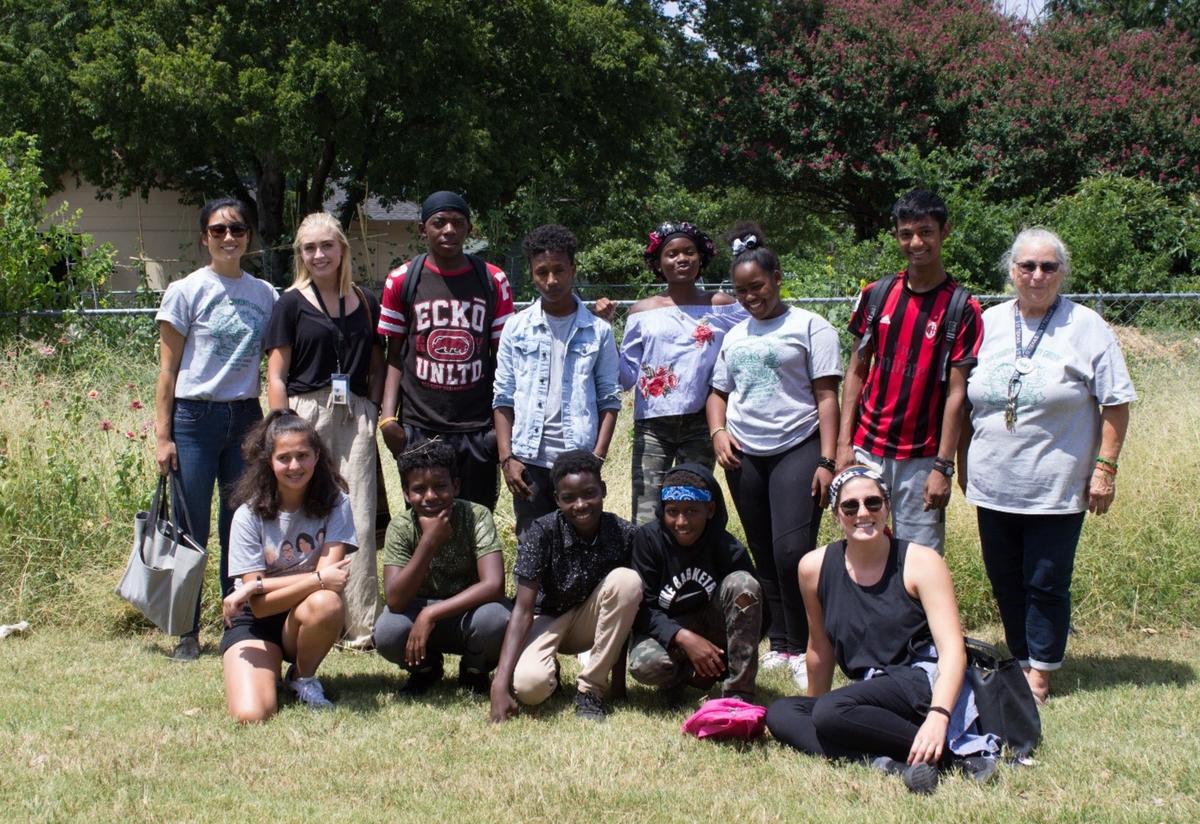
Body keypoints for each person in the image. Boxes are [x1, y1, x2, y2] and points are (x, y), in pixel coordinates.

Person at [961, 228, 1135, 705]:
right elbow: (962, 398)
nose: (1037, 275)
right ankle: (1020, 657)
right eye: (1027, 266)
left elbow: (1116, 402)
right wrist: (960, 460)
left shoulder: (1087, 326)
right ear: (1011, 271)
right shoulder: (988, 322)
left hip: (1056, 485)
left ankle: (1041, 670)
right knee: (1004, 578)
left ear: (1062, 272)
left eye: (1048, 266)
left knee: (1046, 580)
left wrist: (1105, 468)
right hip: (994, 481)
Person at [765, 466, 998, 794]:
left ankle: (953, 756)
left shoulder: (921, 562)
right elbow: (819, 647)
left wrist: (939, 715)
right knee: (781, 713)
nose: (863, 513)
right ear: (836, 515)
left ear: (887, 507)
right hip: (875, 690)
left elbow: (952, 651)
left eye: (873, 503)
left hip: (921, 680)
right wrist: (812, 712)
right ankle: (889, 764)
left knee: (832, 711)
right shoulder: (813, 567)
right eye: (850, 506)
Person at [706, 225, 842, 689]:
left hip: (798, 444)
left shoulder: (810, 326)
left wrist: (827, 460)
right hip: (745, 454)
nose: (750, 298)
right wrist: (718, 432)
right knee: (763, 552)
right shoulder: (734, 335)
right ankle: (780, 644)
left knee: (792, 551)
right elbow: (718, 392)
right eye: (741, 290)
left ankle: (807, 645)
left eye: (758, 287)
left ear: (777, 278)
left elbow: (827, 396)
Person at [154, 196, 277, 661]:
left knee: (239, 524)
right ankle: (186, 631)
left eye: (237, 229)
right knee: (191, 528)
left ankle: (236, 622)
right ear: (204, 237)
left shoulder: (265, 294)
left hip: (245, 417)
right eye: (218, 230)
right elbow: (167, 371)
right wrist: (163, 437)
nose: (229, 237)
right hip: (194, 419)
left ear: (249, 237)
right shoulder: (186, 291)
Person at [837, 189, 983, 555]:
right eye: (906, 234)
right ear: (896, 236)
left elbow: (957, 394)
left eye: (925, 231)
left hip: (922, 458)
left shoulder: (962, 308)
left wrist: (943, 467)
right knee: (863, 549)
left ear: (944, 231)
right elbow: (856, 371)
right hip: (866, 451)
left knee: (920, 558)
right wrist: (843, 445)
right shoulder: (876, 294)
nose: (916, 242)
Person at [265, 211, 385, 648]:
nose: (319, 255)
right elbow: (276, 374)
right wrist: (282, 429)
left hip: (355, 416)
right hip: (305, 414)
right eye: (310, 248)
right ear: (301, 254)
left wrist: (372, 408)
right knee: (307, 512)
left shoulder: (366, 301)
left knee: (358, 517)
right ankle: (309, 616)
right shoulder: (290, 303)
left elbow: (378, 362)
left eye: (327, 246)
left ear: (342, 249)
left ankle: (360, 624)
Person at [376, 191, 515, 509]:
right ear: (423, 229)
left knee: (476, 517)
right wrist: (388, 420)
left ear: (469, 229)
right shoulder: (402, 280)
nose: (449, 230)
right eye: (439, 223)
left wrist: (501, 428)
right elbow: (393, 355)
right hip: (420, 425)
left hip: (476, 427)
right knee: (425, 517)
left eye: (457, 223)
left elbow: (503, 360)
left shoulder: (493, 280)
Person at [219, 411, 357, 721]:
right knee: (252, 714)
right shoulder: (247, 515)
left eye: (302, 455)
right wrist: (315, 579)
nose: (294, 466)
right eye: (284, 458)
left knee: (326, 602)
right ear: (269, 461)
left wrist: (257, 585)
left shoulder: (337, 503)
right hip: (254, 621)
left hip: (303, 614)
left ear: (317, 456)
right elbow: (261, 607)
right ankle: (265, 672)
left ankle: (301, 677)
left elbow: (331, 583)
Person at [489, 450, 641, 723]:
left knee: (627, 580)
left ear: (603, 490)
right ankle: (550, 670)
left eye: (589, 494)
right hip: (547, 617)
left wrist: (618, 686)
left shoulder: (623, 533)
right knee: (530, 689)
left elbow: (624, 613)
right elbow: (522, 610)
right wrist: (499, 684)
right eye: (569, 498)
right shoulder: (543, 531)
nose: (580, 505)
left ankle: (590, 690)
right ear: (557, 499)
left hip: (589, 621)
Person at [494, 224, 621, 538]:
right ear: (531, 273)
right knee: (532, 545)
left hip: (579, 460)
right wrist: (507, 458)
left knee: (581, 544)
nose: (551, 280)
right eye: (542, 272)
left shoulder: (598, 331)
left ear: (573, 270)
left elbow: (609, 399)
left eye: (559, 270)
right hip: (529, 460)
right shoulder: (516, 328)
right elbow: (503, 397)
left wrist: (596, 458)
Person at [619, 220, 746, 525]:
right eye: (672, 253)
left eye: (689, 251)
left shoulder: (723, 306)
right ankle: (648, 558)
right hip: (653, 425)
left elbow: (750, 340)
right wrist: (603, 335)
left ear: (701, 257)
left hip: (702, 423)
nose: (682, 259)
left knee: (693, 506)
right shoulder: (642, 312)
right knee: (647, 512)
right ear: (658, 262)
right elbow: (625, 377)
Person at [373, 441, 510, 695]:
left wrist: (431, 614)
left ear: (455, 486)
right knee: (387, 631)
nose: (430, 496)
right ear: (406, 493)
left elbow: (494, 585)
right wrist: (428, 542)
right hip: (417, 612)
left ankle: (474, 669)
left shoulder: (476, 516)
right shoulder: (401, 527)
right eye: (419, 489)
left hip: (468, 614)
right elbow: (395, 600)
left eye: (440, 486)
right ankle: (425, 668)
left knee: (497, 619)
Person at [628, 464, 762, 701]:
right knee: (645, 664)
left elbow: (755, 611)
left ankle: (738, 692)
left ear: (710, 509)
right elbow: (642, 609)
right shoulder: (648, 541)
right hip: (670, 631)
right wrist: (683, 638)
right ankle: (683, 676)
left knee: (744, 585)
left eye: (691, 511)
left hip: (712, 628)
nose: (681, 522)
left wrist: (727, 656)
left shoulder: (726, 546)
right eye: (672, 511)